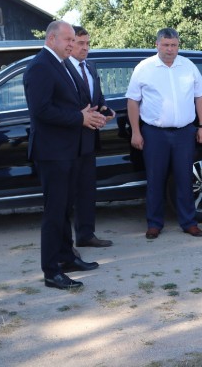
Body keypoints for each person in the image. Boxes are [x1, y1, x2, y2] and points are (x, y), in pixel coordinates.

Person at [24, 20, 105, 290]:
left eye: (74, 40)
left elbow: (70, 104)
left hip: (69, 150)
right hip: (52, 152)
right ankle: (51, 271)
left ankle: (67, 257)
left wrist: (91, 114)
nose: (72, 44)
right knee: (54, 212)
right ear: (51, 40)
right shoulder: (40, 66)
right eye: (68, 39)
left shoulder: (60, 64)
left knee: (65, 209)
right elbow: (41, 111)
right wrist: (79, 118)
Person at [125, 28, 202, 239]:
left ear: (178, 45)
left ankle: (189, 222)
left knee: (184, 178)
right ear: (157, 45)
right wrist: (136, 132)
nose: (170, 49)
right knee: (155, 180)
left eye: (174, 45)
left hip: (184, 133)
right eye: (166, 45)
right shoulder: (144, 68)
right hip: (154, 134)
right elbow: (133, 101)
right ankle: (154, 224)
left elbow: (200, 97)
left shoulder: (188, 66)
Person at [69, 26, 115, 247]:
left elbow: (97, 97)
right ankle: (64, 246)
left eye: (88, 43)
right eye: (80, 43)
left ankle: (86, 235)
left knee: (87, 190)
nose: (85, 48)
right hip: (68, 141)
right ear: (69, 43)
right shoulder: (62, 69)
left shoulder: (91, 67)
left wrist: (106, 110)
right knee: (68, 195)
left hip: (89, 140)